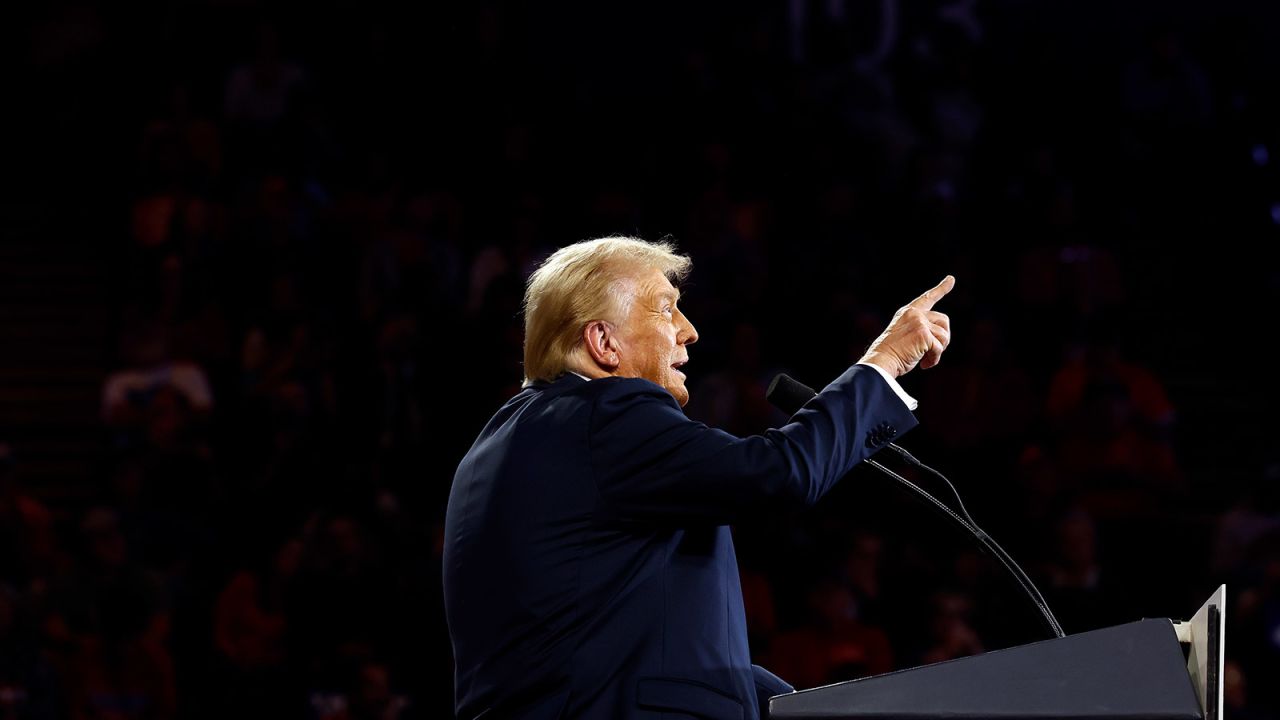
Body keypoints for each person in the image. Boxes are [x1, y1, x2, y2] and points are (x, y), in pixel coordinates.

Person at [444, 236, 953, 719]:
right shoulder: (607, 412)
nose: (689, 330)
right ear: (603, 342)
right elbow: (781, 471)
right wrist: (882, 363)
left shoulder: (493, 448)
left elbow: (612, 645)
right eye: (666, 308)